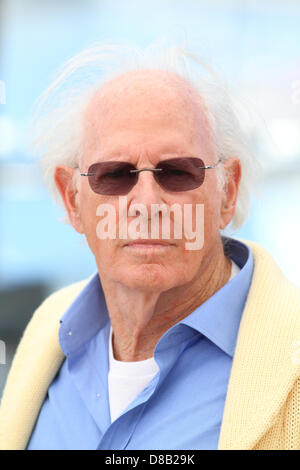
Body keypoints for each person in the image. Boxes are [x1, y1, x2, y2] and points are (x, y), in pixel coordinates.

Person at [0, 43, 299, 451]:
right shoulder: (46, 336)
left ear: (226, 192)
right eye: (115, 175)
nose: (146, 204)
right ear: (72, 201)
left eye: (176, 172)